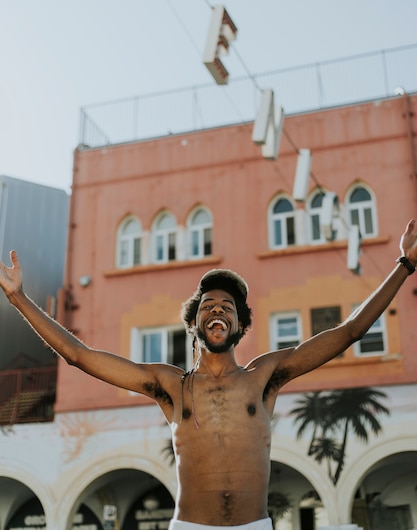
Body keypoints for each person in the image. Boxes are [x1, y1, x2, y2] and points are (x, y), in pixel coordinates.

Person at [0, 220, 417, 530]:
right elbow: (79, 355)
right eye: (208, 304)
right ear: (195, 324)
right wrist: (19, 299)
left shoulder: (264, 376)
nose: (217, 308)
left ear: (240, 327)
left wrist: (403, 265)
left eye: (228, 306)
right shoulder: (170, 386)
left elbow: (348, 333)